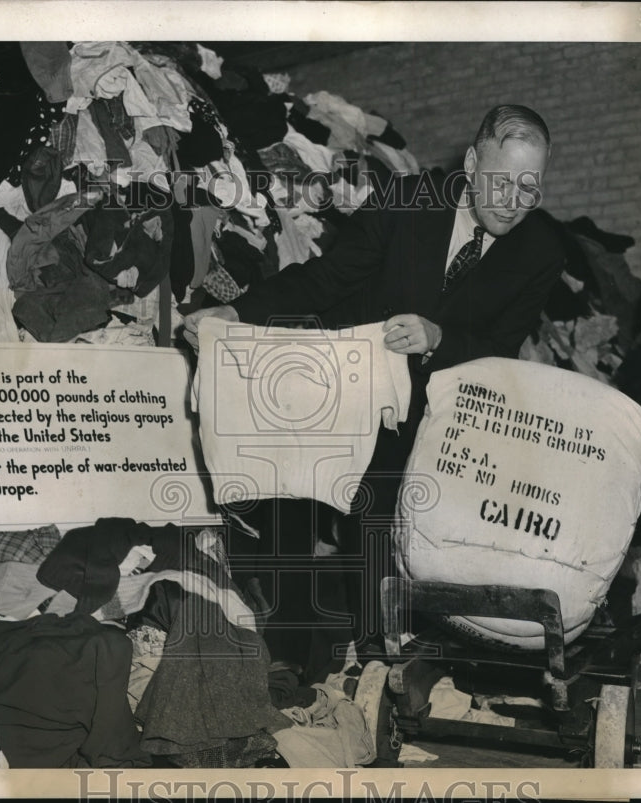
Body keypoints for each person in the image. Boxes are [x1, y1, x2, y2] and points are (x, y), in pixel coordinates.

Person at [183, 105, 566, 679]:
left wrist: (440, 339)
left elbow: (501, 350)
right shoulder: (405, 198)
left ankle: (374, 653)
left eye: (529, 187)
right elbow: (328, 277)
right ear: (469, 164)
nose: (513, 200)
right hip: (346, 381)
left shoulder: (542, 250)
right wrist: (238, 310)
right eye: (501, 181)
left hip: (430, 405)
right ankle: (288, 657)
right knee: (297, 495)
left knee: (377, 513)